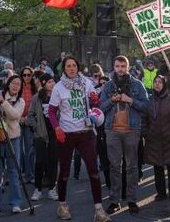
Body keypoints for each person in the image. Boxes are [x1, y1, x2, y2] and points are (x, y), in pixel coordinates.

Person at [48, 56, 108, 222]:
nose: (72, 68)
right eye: (68, 66)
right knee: (65, 172)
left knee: (93, 171)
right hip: (66, 134)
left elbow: (95, 105)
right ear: (64, 69)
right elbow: (52, 112)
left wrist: (95, 101)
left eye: (74, 65)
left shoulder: (86, 83)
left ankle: (99, 210)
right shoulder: (59, 87)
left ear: (78, 67)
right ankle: (62, 205)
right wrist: (57, 128)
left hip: (86, 133)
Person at [99, 55, 149, 214]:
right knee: (114, 167)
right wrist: (111, 101)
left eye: (123, 66)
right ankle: (115, 200)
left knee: (132, 167)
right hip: (112, 130)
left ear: (127, 67)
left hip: (132, 130)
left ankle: (132, 200)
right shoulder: (107, 86)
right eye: (117, 66)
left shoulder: (137, 85)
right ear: (114, 67)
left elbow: (147, 107)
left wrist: (130, 100)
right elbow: (100, 108)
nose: (120, 69)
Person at [143, 75, 170, 201]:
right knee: (158, 168)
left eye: (160, 82)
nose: (157, 84)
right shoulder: (149, 100)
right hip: (154, 140)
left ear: (164, 84)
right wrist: (146, 133)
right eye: (155, 82)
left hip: (169, 139)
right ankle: (161, 193)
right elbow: (144, 119)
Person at [0, 74, 25, 214]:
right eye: (13, 83)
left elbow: (15, 115)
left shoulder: (20, 101)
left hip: (13, 138)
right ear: (8, 84)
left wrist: (3, 102)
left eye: (18, 84)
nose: (16, 86)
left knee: (13, 171)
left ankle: (15, 202)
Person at [27, 73, 58, 201]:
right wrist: (36, 128)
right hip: (40, 134)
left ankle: (52, 188)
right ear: (44, 83)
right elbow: (30, 115)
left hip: (55, 133)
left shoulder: (57, 97)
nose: (52, 83)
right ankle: (38, 188)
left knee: (53, 161)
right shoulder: (37, 98)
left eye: (53, 81)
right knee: (39, 162)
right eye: (50, 81)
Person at [19, 66, 36, 184]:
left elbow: (36, 106)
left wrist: (27, 118)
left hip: (29, 121)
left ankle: (30, 175)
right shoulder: (18, 87)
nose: (26, 77)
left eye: (28, 75)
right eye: (24, 75)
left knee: (30, 149)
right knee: (19, 149)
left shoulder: (35, 88)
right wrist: (19, 117)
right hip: (18, 120)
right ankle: (21, 175)